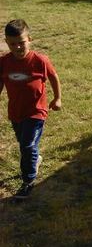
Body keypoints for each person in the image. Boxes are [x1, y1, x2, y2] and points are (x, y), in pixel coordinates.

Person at [0, 19, 62, 199]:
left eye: (21, 43)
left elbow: (53, 76)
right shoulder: (4, 62)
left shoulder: (40, 60)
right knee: (25, 144)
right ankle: (36, 159)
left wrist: (57, 98)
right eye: (13, 44)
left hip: (36, 111)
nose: (18, 47)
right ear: (6, 42)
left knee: (27, 146)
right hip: (15, 112)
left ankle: (28, 180)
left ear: (30, 39)